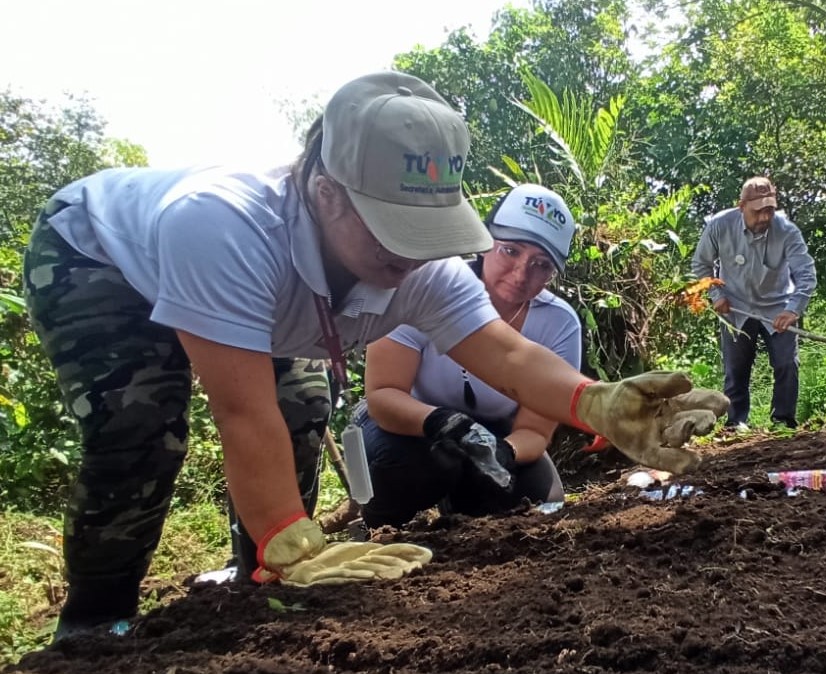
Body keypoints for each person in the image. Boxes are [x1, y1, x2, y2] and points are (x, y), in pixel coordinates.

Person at [23, 70, 726, 640]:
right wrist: (283, 534)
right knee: (141, 432)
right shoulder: (222, 226)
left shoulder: (420, 262)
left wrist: (592, 401)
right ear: (326, 193)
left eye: (428, 228)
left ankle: (262, 585)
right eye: (394, 228)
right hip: (101, 260)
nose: (412, 252)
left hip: (264, 295)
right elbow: (241, 412)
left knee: (303, 406)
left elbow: (504, 353)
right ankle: (94, 623)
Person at [357, 183, 582, 527]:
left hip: (492, 431)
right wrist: (443, 424)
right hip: (404, 422)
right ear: (485, 241)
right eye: (510, 251)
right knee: (417, 468)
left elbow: (535, 431)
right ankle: (379, 528)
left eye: (541, 264)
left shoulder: (559, 323)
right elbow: (383, 394)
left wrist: (503, 453)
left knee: (538, 498)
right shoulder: (426, 284)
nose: (522, 274)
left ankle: (460, 522)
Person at [691, 176, 817, 429]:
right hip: (735, 306)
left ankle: (783, 420)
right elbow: (701, 264)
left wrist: (793, 309)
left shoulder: (787, 231)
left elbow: (806, 274)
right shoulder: (720, 226)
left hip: (778, 307)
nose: (763, 218)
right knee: (736, 369)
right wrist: (716, 295)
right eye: (757, 211)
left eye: (769, 210)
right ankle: (736, 422)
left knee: (786, 364)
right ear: (742, 206)